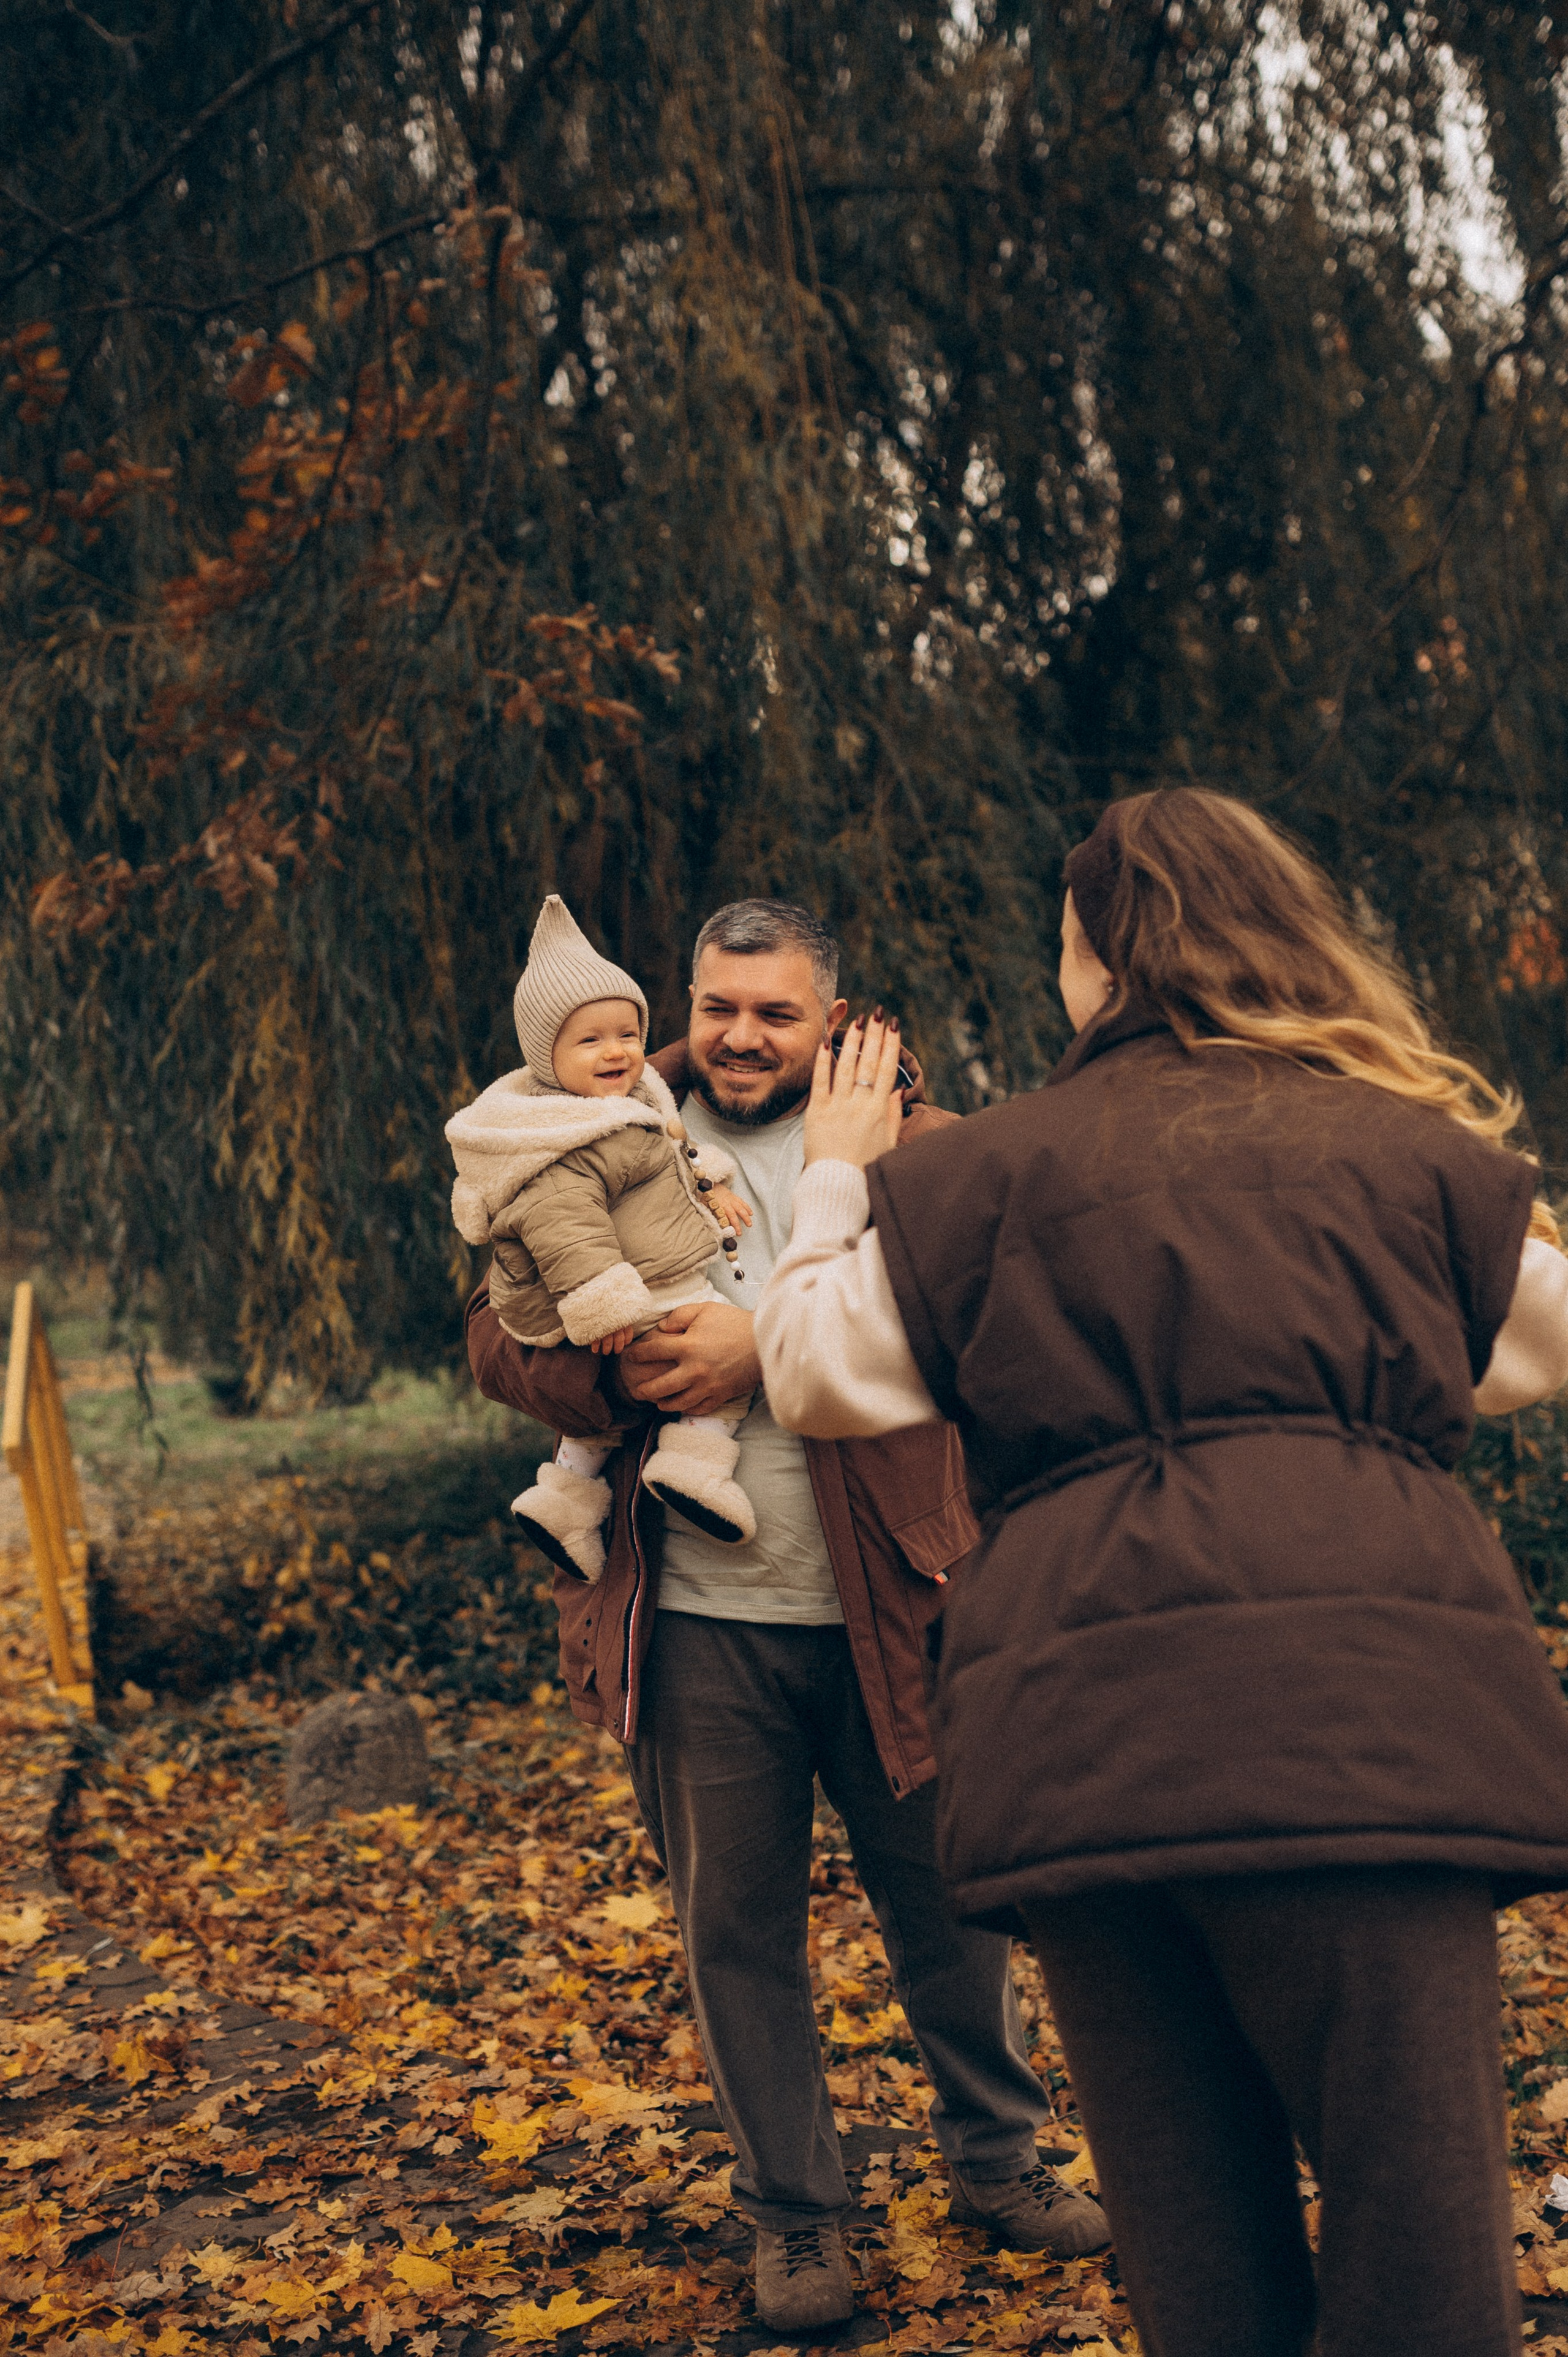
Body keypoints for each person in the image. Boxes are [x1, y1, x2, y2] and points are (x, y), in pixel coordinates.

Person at [755, 790, 1568, 2357]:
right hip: (1364, 1736)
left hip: (1090, 1746)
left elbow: (810, 1370)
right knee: (1418, 2244)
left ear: (1089, 966)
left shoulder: (972, 1178)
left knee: (1196, 2256)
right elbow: (1540, 1343)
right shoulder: (1403, 1156)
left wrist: (838, 1170)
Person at [466, 898, 1108, 2334]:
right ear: (684, 1001)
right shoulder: (595, 1119)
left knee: (953, 1912)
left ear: (831, 1019)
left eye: (774, 1009)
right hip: (694, 1618)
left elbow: (995, 1345)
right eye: (718, 1002)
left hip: (898, 1600)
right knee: (735, 1928)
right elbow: (495, 1335)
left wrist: (766, 1340)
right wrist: (625, 1379)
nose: (739, 1032)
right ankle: (797, 2215)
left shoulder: (919, 1150)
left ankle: (997, 2166)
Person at [446, 894, 759, 1575]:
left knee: (599, 1425)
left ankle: (563, 1501)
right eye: (590, 1040)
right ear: (546, 1057)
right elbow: (562, 1224)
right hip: (632, 1289)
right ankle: (695, 1465)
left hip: (632, 1280)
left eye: (627, 1032)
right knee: (727, 1356)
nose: (617, 1051)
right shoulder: (560, 1137)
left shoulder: (627, 1103)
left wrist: (715, 1188)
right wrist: (603, 1308)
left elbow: (670, 1155)